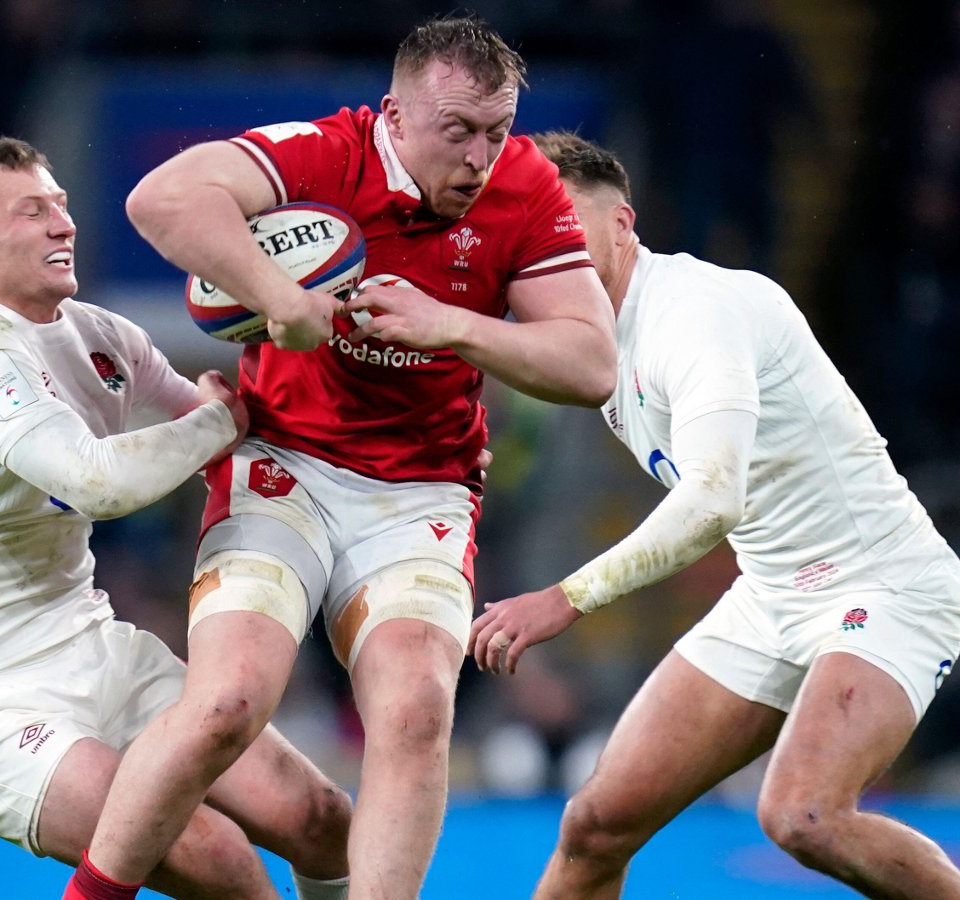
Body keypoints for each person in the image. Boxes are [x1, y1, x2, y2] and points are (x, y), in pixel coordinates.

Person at [77, 16, 617, 900]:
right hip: (281, 466)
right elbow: (160, 202)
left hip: (422, 491)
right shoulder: (322, 154)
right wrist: (278, 296)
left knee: (415, 711)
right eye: (458, 132)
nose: (482, 157)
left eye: (497, 130)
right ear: (395, 117)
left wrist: (450, 325)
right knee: (225, 707)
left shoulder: (526, 186)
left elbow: (592, 364)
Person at [469, 132, 960, 900]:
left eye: (566, 224)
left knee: (803, 814)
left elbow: (713, 500)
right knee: (595, 826)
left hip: (884, 588)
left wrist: (565, 597)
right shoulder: (595, 341)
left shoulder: (694, 314)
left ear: (623, 225)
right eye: (535, 232)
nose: (553, 250)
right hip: (771, 596)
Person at [0, 137, 352, 900]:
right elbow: (98, 482)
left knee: (320, 816)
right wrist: (215, 424)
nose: (62, 225)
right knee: (218, 858)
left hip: (100, 653)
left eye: (62, 207)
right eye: (32, 212)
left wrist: (378, 445)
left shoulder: (98, 334)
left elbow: (225, 429)